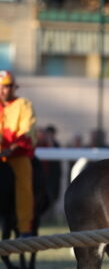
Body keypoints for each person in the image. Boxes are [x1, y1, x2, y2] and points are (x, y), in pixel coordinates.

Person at [0, 70, 36, 237]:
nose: (2, 90)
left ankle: (25, 228)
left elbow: (28, 130)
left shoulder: (24, 104)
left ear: (14, 87)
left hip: (17, 154)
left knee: (24, 184)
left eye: (6, 86)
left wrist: (12, 148)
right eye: (0, 86)